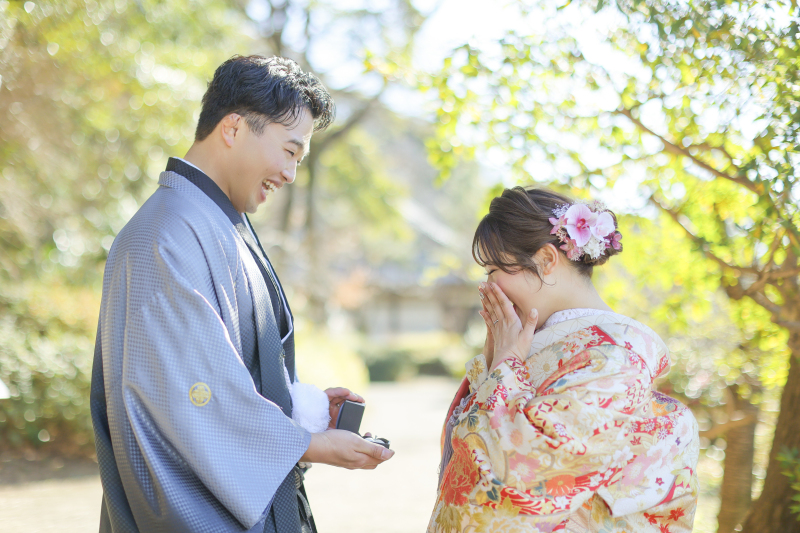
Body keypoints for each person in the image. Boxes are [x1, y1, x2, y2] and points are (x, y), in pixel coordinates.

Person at [90, 55, 394, 533]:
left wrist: (303, 409)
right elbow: (189, 393)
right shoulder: (165, 234)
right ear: (233, 128)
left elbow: (228, 371)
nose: (292, 173)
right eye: (290, 151)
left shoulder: (212, 221)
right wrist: (307, 445)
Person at [428, 187, 698, 533]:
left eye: (494, 269)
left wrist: (507, 367)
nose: (490, 285)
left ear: (546, 260)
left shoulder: (618, 358)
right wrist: (497, 361)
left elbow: (527, 470)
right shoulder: (541, 344)